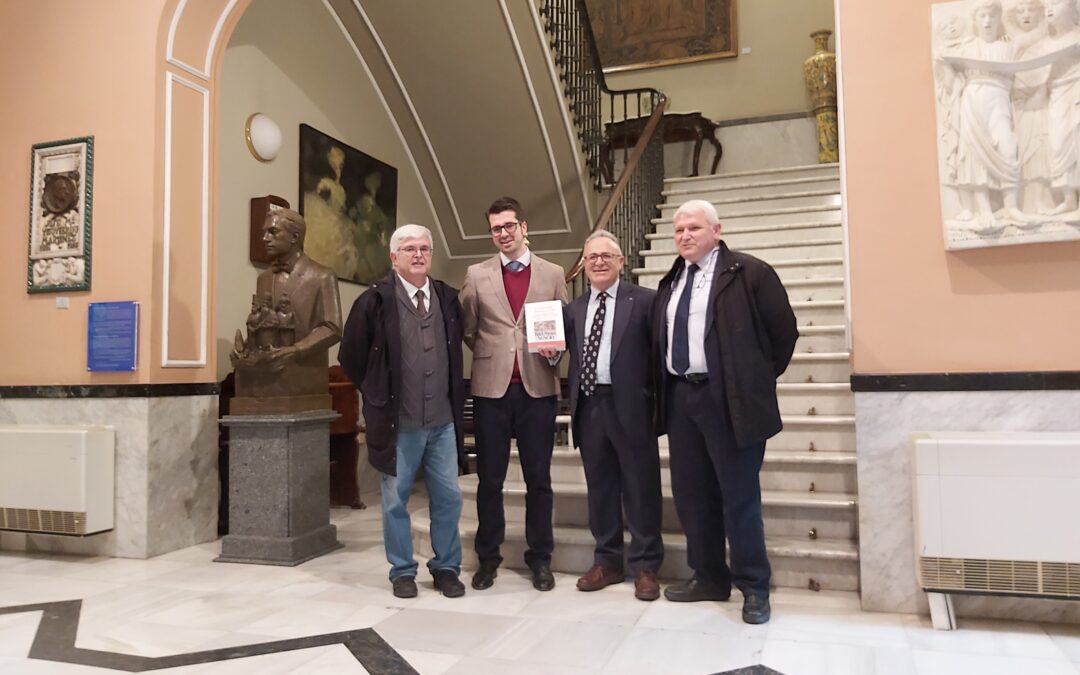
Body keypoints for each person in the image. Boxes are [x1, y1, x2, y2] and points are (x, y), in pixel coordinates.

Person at [651, 199, 797, 625]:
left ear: (716, 230)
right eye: (679, 230)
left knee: (739, 497)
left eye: (694, 228)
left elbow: (782, 334)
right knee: (693, 495)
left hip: (728, 399)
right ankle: (709, 576)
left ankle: (753, 585)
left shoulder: (750, 273)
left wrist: (750, 379)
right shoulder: (672, 279)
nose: (684, 236)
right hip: (682, 398)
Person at [338, 224, 467, 599]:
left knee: (449, 497)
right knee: (395, 500)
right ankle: (402, 570)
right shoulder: (374, 301)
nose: (418, 255)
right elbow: (351, 358)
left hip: (443, 422)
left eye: (424, 248)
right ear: (394, 257)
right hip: (398, 424)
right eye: (409, 249)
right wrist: (378, 392)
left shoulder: (447, 298)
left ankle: (446, 567)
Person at [460, 196, 568, 592]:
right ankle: (488, 557)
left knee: (539, 480)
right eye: (495, 229)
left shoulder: (554, 273)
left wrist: (556, 347)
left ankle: (540, 559)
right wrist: (495, 355)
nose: (503, 234)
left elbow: (560, 322)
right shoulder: (476, 274)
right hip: (491, 390)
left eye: (509, 226)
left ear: (523, 227)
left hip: (538, 388)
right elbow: (468, 328)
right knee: (490, 479)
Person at [563, 231, 664, 601]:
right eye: (592, 258)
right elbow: (565, 354)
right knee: (600, 487)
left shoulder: (646, 302)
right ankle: (607, 561)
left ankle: (645, 566)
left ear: (621, 262)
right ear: (584, 265)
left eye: (607, 256)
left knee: (641, 487)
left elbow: (658, 356)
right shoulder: (573, 310)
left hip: (633, 407)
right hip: (590, 406)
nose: (599, 262)